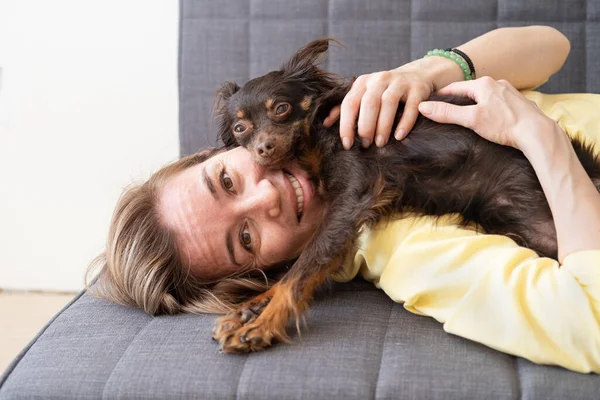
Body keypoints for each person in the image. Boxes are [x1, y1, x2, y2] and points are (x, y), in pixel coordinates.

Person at [87, 26, 600, 373]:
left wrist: (429, 72)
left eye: (226, 181)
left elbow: (553, 44)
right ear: (260, 275)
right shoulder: (404, 250)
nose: (265, 193)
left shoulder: (365, 112)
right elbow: (588, 321)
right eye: (245, 238)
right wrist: (541, 137)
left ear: (222, 149)